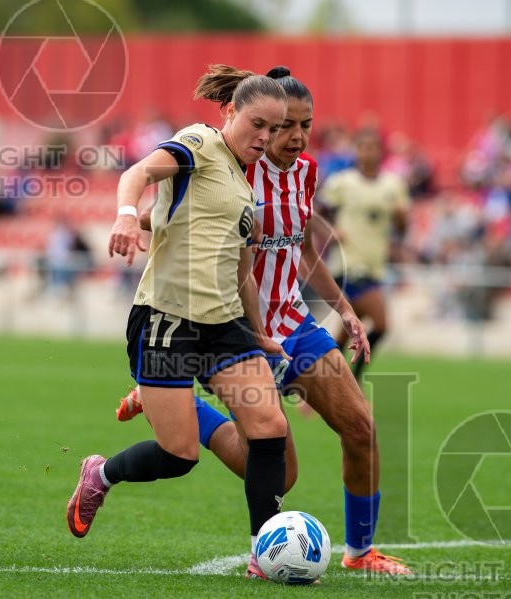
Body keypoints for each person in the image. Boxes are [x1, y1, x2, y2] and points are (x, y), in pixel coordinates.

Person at [118, 67, 412, 576]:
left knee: (361, 428)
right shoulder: (234, 162)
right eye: (284, 126)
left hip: (293, 325)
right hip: (236, 326)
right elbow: (170, 208)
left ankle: (361, 553)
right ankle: (175, 401)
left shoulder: (305, 172)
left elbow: (299, 249)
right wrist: (135, 218)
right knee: (284, 473)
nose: (294, 136)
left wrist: (343, 308)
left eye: (305, 125)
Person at [66, 65, 291, 577]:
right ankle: (101, 474)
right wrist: (127, 213)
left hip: (224, 324)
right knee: (179, 455)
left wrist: (257, 331)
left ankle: (265, 552)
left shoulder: (243, 184)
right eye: (257, 124)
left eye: (274, 130)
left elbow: (243, 273)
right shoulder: (199, 142)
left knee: (269, 428)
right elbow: (139, 174)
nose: (265, 137)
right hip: (167, 318)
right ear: (229, 111)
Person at [318, 128, 410, 380]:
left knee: (348, 329)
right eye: (363, 147)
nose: (368, 152)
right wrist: (330, 230)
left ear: (380, 152)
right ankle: (354, 382)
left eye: (373, 147)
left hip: (375, 265)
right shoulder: (342, 182)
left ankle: (321, 383)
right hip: (348, 263)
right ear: (356, 151)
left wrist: (402, 219)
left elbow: (402, 228)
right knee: (381, 324)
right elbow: (315, 214)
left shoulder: (393, 185)